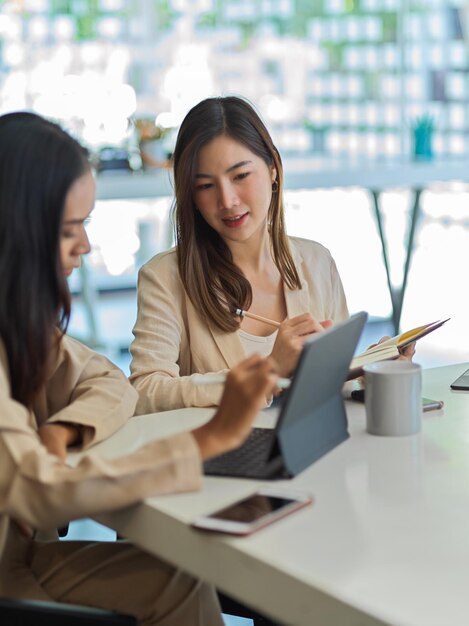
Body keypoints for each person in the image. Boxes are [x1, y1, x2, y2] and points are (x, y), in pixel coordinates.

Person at [0, 111, 278, 626]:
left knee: (178, 576)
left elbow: (106, 380)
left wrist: (63, 429)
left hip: (23, 556)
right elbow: (40, 491)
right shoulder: (167, 276)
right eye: (68, 230)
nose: (83, 246)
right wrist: (205, 439)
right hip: (9, 581)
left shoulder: (22, 325)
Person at [130, 95, 350, 414]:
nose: (227, 200)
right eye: (205, 186)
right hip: (222, 459)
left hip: (315, 451)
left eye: (240, 176)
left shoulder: (317, 263)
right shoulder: (164, 278)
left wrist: (371, 371)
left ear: (273, 168)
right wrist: (267, 372)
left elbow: (334, 383)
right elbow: (144, 392)